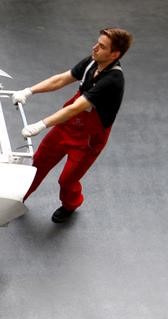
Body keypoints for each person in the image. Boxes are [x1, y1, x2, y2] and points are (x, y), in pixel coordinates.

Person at [13, 27, 133, 223]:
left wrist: (41, 124)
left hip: (88, 139)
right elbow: (61, 79)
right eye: (97, 43)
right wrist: (29, 91)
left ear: (115, 54)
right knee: (38, 163)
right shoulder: (92, 62)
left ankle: (71, 204)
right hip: (67, 125)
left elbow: (76, 107)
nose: (94, 48)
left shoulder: (113, 80)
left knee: (67, 179)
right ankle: (17, 199)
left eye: (101, 46)